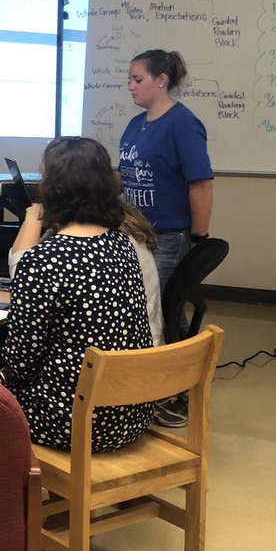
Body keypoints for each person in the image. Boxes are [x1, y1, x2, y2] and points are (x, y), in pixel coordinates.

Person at [0, 137, 154, 455]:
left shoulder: (42, 259)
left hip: (72, 423)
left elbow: (19, 360)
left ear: (53, 189)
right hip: (131, 413)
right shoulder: (123, 245)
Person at [118, 49, 214, 427]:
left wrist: (199, 237)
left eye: (136, 79)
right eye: (129, 79)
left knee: (161, 311)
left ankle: (177, 393)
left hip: (169, 234)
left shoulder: (182, 124)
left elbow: (201, 183)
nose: (130, 87)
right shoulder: (136, 124)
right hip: (137, 232)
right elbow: (125, 175)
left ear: (161, 80)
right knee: (161, 310)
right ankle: (170, 384)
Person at [9, 201, 164, 347]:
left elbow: (23, 279)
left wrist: (33, 219)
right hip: (137, 351)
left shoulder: (89, 241)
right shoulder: (118, 233)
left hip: (102, 362)